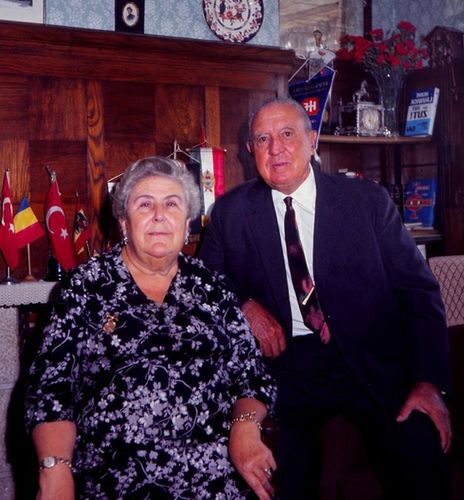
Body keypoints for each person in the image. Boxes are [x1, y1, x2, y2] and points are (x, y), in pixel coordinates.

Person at [199, 98, 453, 499]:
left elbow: (418, 292)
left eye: (287, 134)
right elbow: (204, 287)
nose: (275, 148)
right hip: (287, 365)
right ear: (250, 152)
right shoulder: (231, 213)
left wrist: (428, 381)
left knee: (418, 454)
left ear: (311, 139)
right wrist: (243, 304)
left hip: (370, 356)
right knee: (285, 474)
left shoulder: (365, 202)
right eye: (262, 139)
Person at [25, 156, 277, 499]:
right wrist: (54, 470)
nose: (159, 215)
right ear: (124, 224)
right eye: (145, 204)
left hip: (215, 480)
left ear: (188, 222)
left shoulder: (212, 287)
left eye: (172, 204)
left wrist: (244, 427)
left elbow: (253, 377)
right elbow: (51, 392)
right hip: (113, 481)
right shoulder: (84, 287)